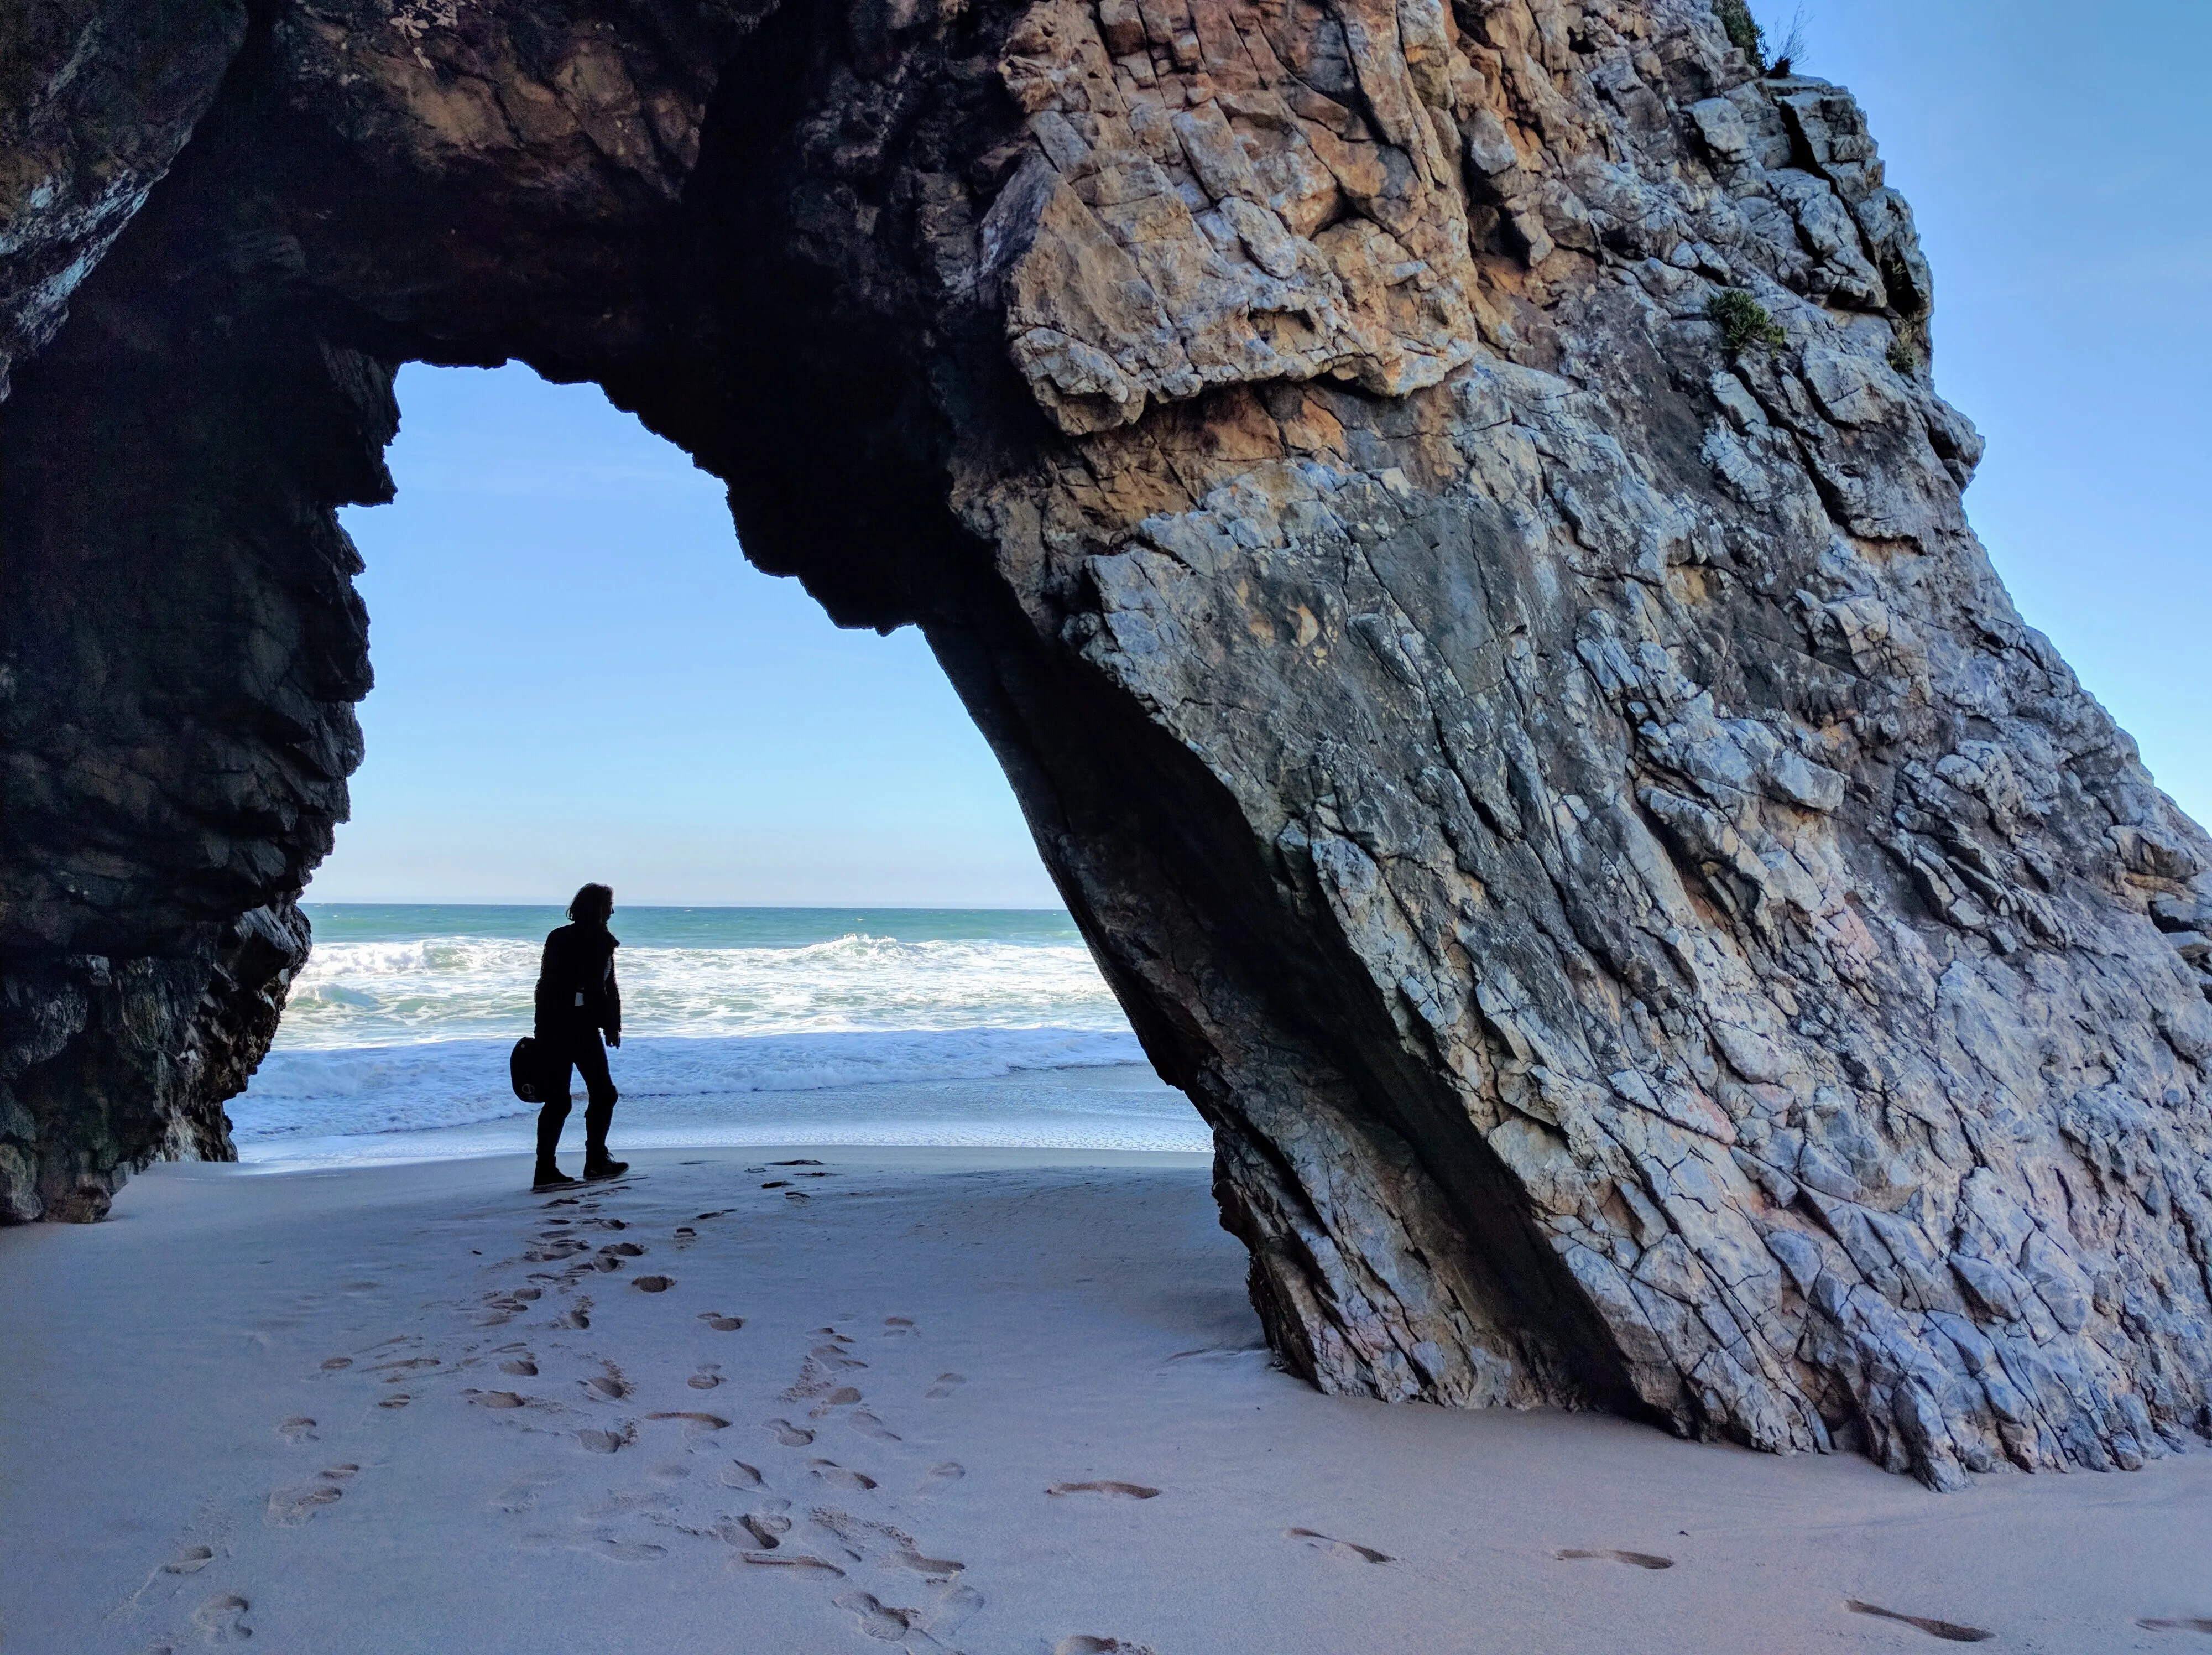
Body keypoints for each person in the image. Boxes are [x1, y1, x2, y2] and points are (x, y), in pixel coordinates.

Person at [531, 882, 628, 1190]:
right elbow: (603, 987)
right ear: (599, 909)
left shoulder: (559, 937)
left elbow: (545, 988)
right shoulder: (599, 940)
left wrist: (611, 1023)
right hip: (575, 1029)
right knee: (601, 1093)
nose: (612, 912)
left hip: (555, 1026)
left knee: (560, 1101)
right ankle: (595, 1161)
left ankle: (547, 1169)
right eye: (608, 906)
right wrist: (611, 1024)